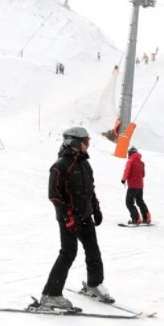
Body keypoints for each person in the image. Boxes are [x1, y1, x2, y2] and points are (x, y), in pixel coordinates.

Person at [40, 127, 111, 310]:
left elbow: (90, 190)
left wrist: (96, 208)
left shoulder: (84, 164)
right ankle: (51, 294)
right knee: (68, 253)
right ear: (74, 143)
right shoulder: (60, 165)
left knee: (93, 250)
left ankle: (94, 284)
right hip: (68, 219)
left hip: (85, 216)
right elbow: (54, 195)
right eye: (86, 141)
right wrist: (67, 216)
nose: (88, 145)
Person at [121, 146, 151, 224]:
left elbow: (127, 171)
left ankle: (136, 218)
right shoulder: (141, 163)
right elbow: (143, 174)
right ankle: (147, 217)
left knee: (129, 202)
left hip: (132, 186)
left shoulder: (130, 161)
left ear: (131, 153)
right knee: (140, 201)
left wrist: (124, 179)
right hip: (140, 186)